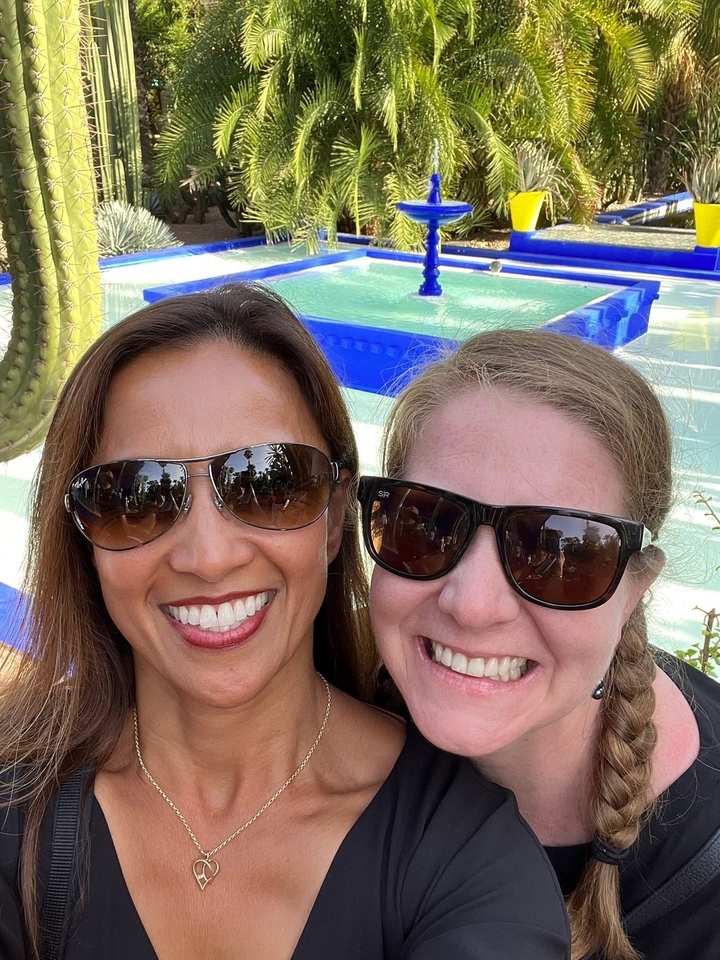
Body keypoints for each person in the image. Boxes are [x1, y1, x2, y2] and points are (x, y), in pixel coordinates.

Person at [0, 286, 570, 960]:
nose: (209, 559)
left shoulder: (464, 853)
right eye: (137, 497)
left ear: (335, 519)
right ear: (83, 538)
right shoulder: (18, 811)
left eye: (269, 485)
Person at [359, 329, 720, 960]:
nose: (471, 605)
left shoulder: (705, 866)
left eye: (559, 551)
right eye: (426, 523)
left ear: (636, 589)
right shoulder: (315, 742)